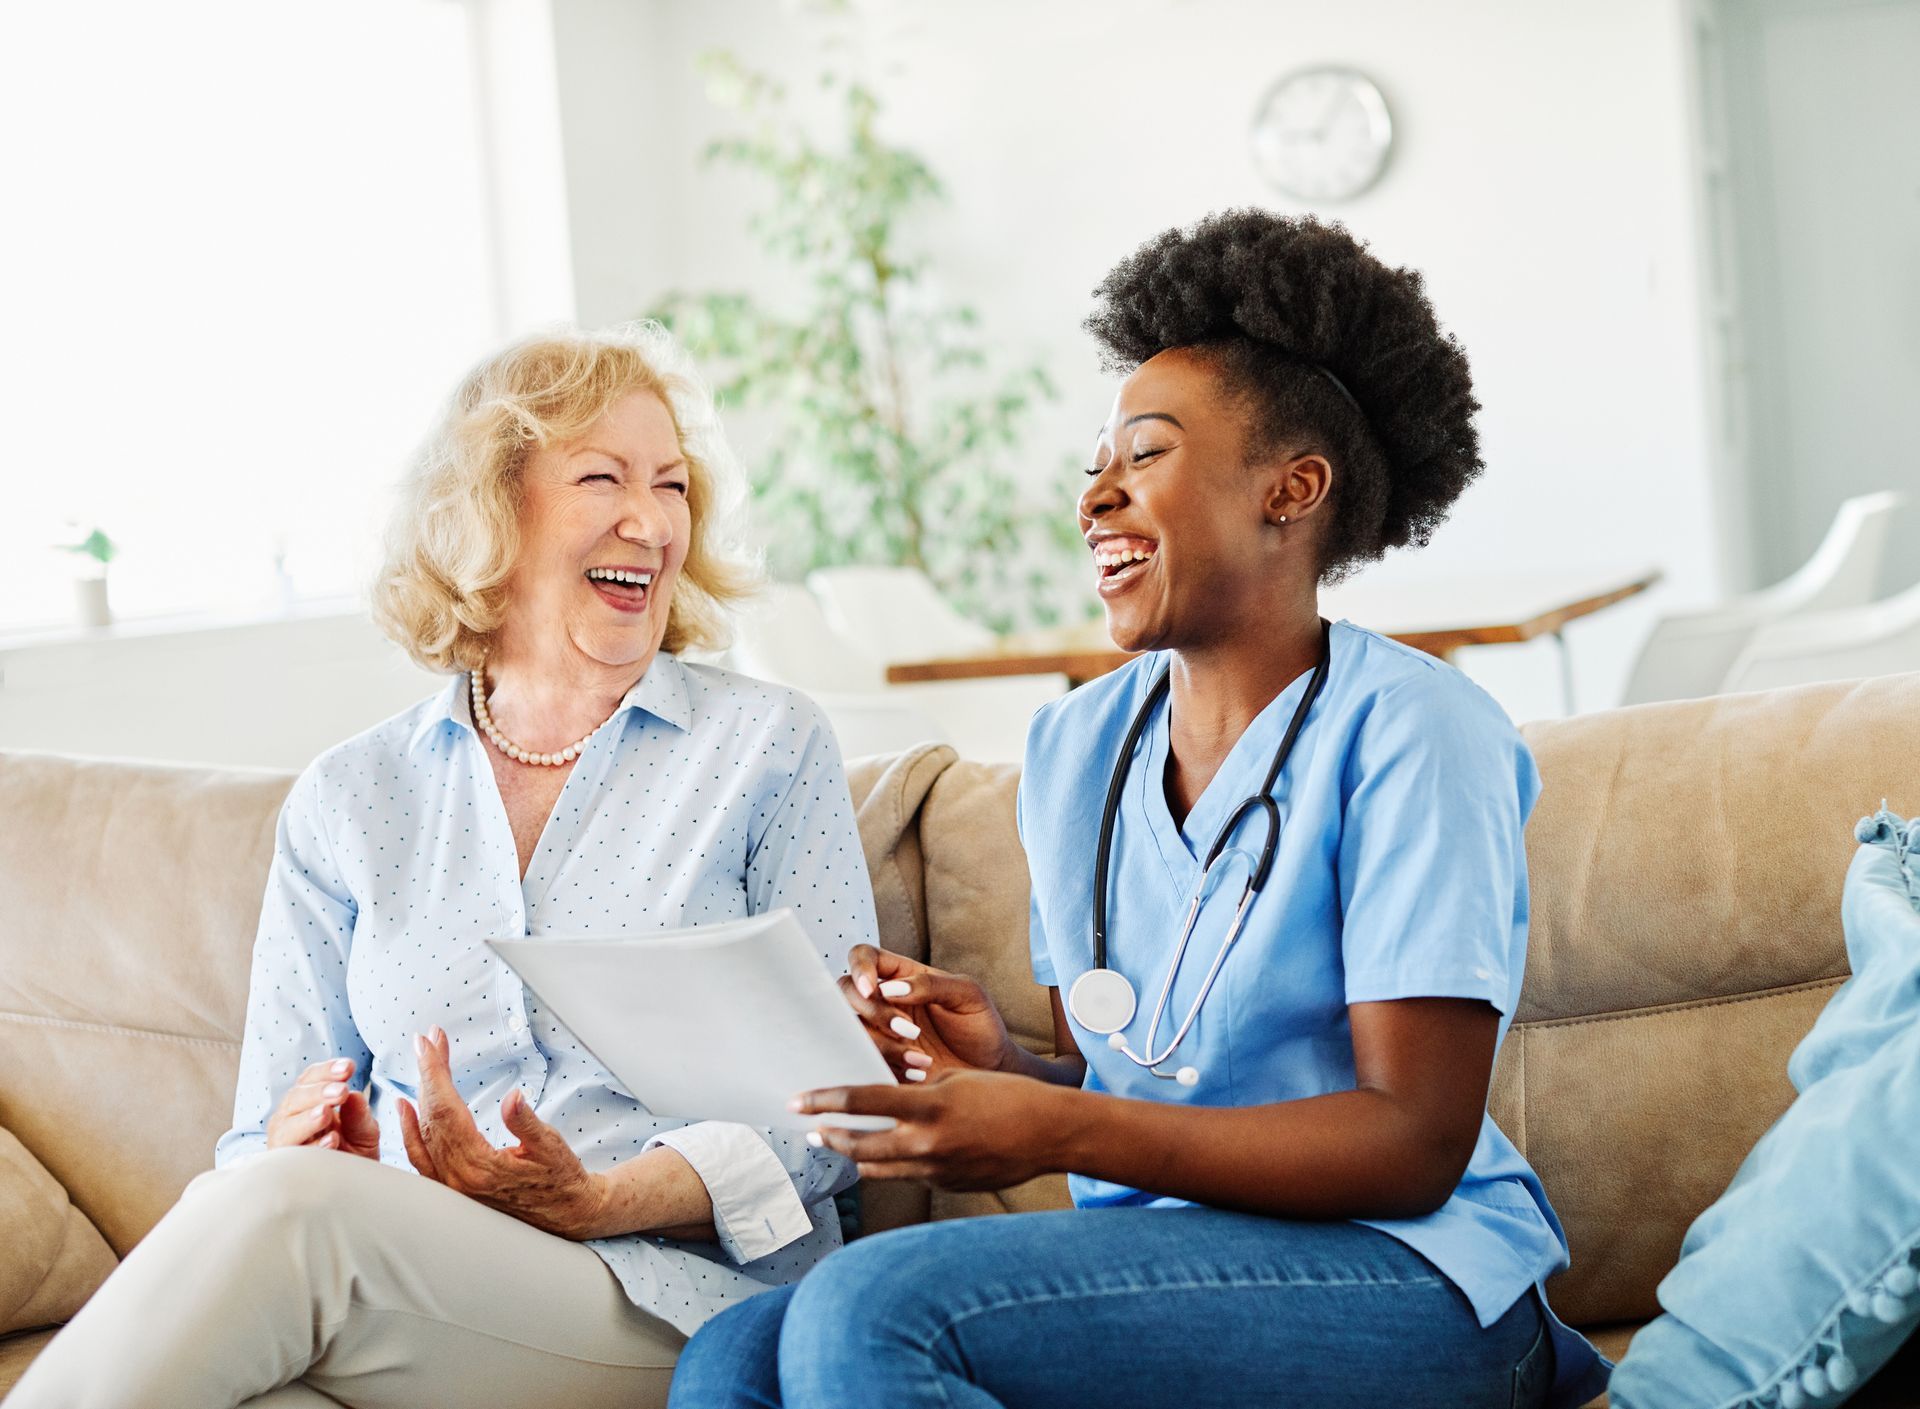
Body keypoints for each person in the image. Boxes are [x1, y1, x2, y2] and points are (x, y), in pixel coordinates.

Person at [667, 211, 1613, 1409]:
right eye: (1094, 465)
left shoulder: (1417, 732)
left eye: (1146, 456)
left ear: (1294, 488)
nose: (1096, 497)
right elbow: (1144, 1087)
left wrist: (1056, 1131)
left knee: (872, 1304)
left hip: (1415, 1280)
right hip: (1173, 1264)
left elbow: (1413, 1138)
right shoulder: (1074, 749)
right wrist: (1012, 1069)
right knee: (731, 1359)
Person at [12, 324, 879, 1409]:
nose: (651, 521)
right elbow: (255, 1141)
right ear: (492, 514)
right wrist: (302, 1141)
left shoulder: (766, 746)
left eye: (671, 485)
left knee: (297, 1219)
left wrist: (600, 1195)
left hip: (682, 1299)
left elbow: (849, 1116)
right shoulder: (350, 795)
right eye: (602, 477)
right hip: (416, 1290)